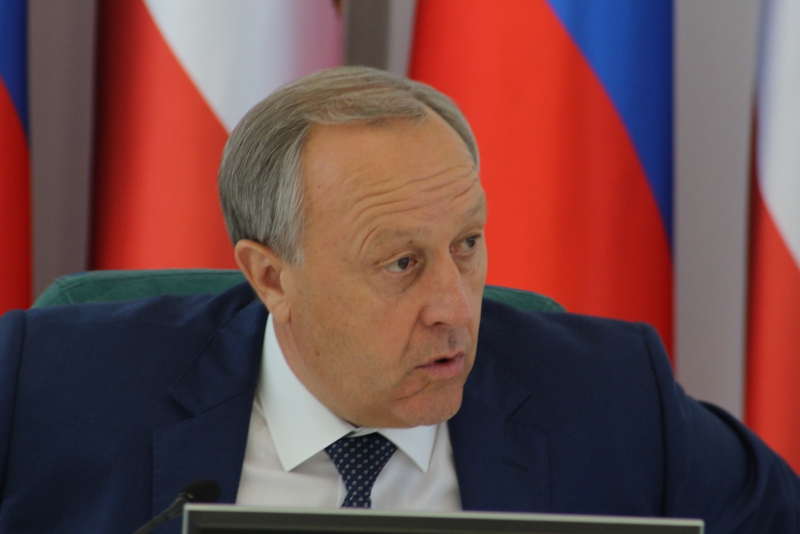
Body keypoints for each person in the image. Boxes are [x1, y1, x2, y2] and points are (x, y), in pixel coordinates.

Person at [0, 66, 798, 533]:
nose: (454, 306)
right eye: (401, 263)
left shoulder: (614, 401)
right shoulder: (45, 390)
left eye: (467, 245)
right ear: (271, 276)